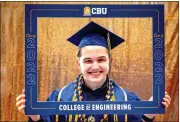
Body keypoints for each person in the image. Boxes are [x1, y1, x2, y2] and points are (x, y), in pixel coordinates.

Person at [16, 21, 171, 122]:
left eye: (101, 60)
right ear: (78, 64)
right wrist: (33, 114)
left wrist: (150, 111)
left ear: (110, 62)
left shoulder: (127, 98)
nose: (95, 67)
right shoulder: (59, 97)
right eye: (88, 61)